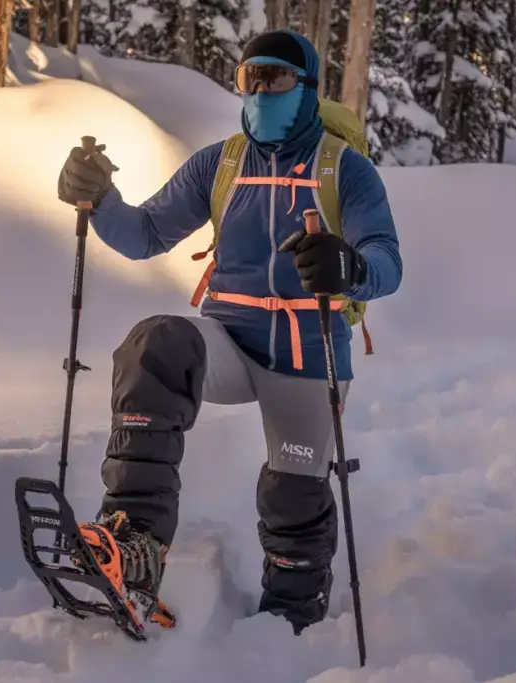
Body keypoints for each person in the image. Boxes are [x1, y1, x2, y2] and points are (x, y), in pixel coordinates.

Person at [56, 28, 402, 635]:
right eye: (249, 78)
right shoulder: (221, 164)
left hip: (307, 354)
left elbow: (387, 263)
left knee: (292, 492)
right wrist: (99, 199)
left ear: (308, 88)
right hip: (231, 342)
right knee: (156, 342)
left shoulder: (345, 169)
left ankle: (293, 619)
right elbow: (145, 235)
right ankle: (134, 544)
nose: (261, 91)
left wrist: (348, 267)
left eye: (276, 78)